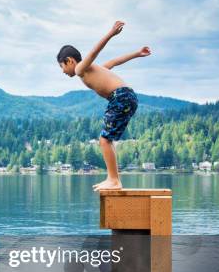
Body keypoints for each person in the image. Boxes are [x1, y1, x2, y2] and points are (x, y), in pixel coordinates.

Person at [57, 21, 151, 190]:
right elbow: (114, 62)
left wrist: (111, 33)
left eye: (62, 67)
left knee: (104, 139)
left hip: (120, 97)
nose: (63, 71)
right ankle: (113, 178)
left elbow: (93, 52)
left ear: (69, 61)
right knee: (108, 140)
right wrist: (136, 53)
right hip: (128, 97)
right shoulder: (93, 70)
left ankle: (114, 180)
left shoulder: (79, 69)